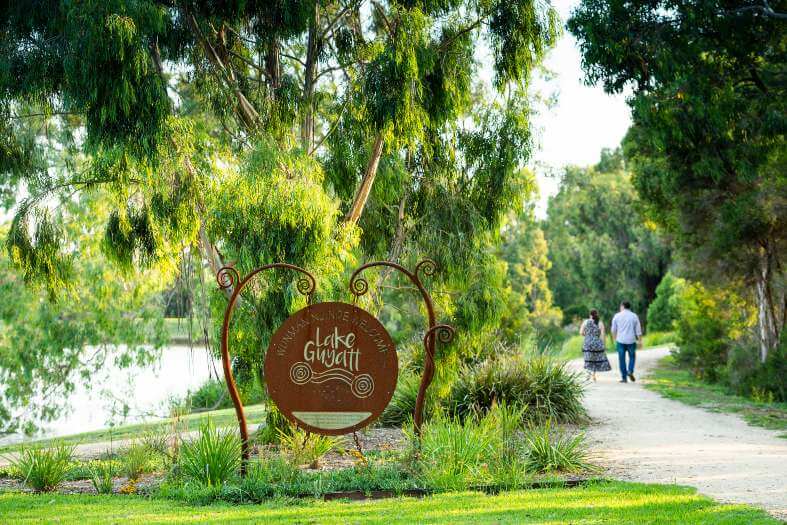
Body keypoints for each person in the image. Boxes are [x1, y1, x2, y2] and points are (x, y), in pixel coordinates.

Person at [610, 301, 643, 383]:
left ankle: (624, 378)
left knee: (621, 359)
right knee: (632, 357)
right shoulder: (634, 316)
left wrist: (614, 339)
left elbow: (613, 330)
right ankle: (630, 371)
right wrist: (640, 341)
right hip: (631, 340)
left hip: (620, 341)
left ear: (622, 306)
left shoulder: (617, 316)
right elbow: (638, 330)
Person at [579, 309, 611, 381]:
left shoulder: (586, 322)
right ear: (597, 314)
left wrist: (587, 336)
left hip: (587, 342)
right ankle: (593, 374)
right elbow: (603, 335)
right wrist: (604, 345)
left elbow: (581, 332)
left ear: (590, 315)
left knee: (588, 358)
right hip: (597, 343)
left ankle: (588, 373)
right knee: (595, 359)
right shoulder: (600, 322)